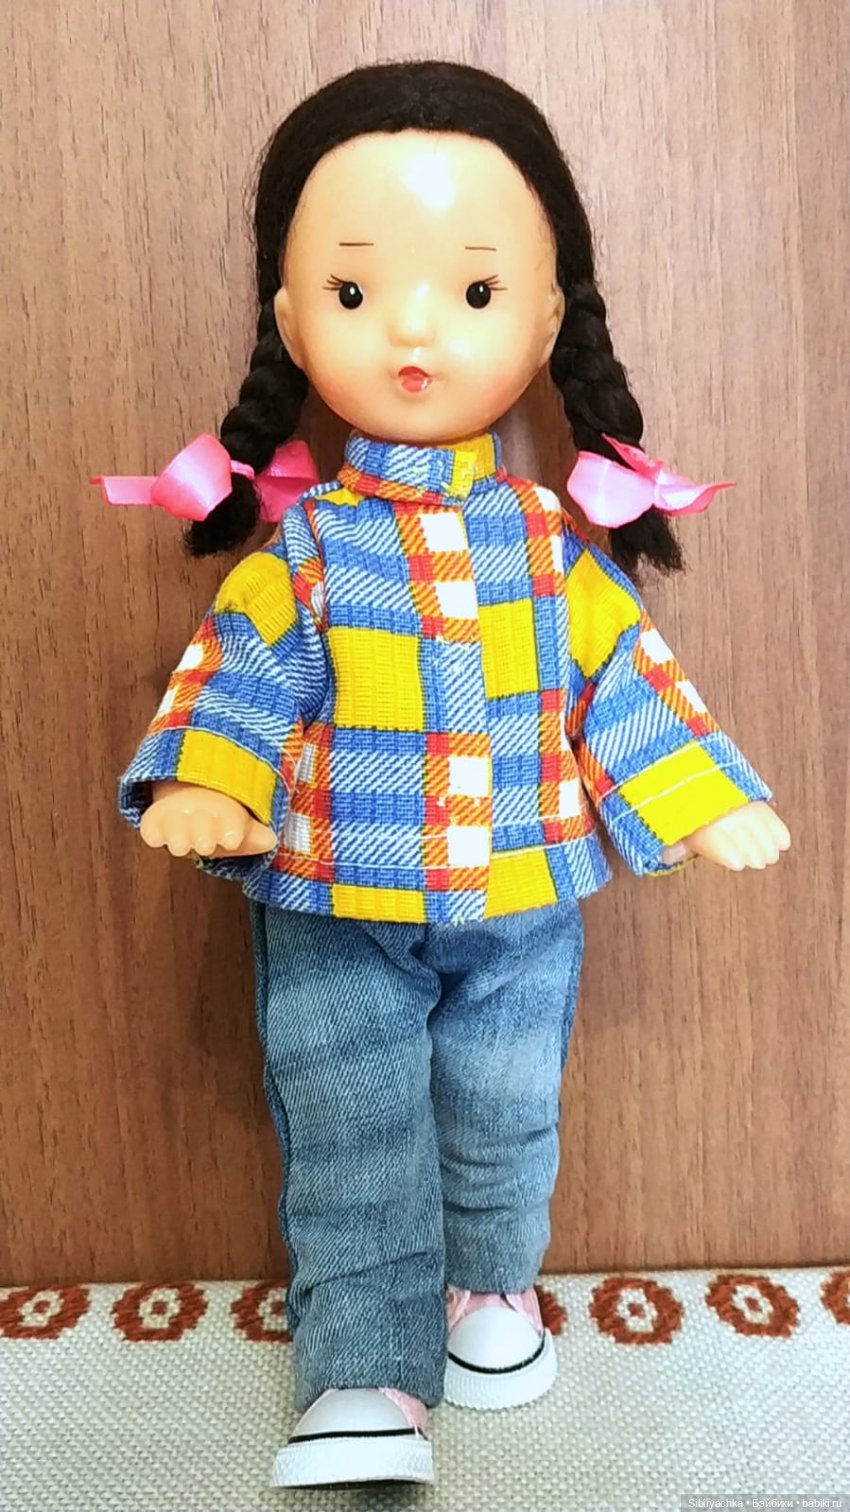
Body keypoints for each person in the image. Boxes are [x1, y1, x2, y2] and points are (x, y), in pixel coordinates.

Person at [98, 60, 791, 1490]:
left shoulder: (549, 548)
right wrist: (209, 783)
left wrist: (701, 796)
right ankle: (362, 1369)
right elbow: (243, 670)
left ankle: (492, 1294)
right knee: (349, 1123)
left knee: (506, 1104)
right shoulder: (306, 549)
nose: (413, 329)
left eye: (472, 291)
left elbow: (623, 681)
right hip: (334, 900)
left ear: (544, 322)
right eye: (355, 292)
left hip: (524, 894)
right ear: (292, 321)